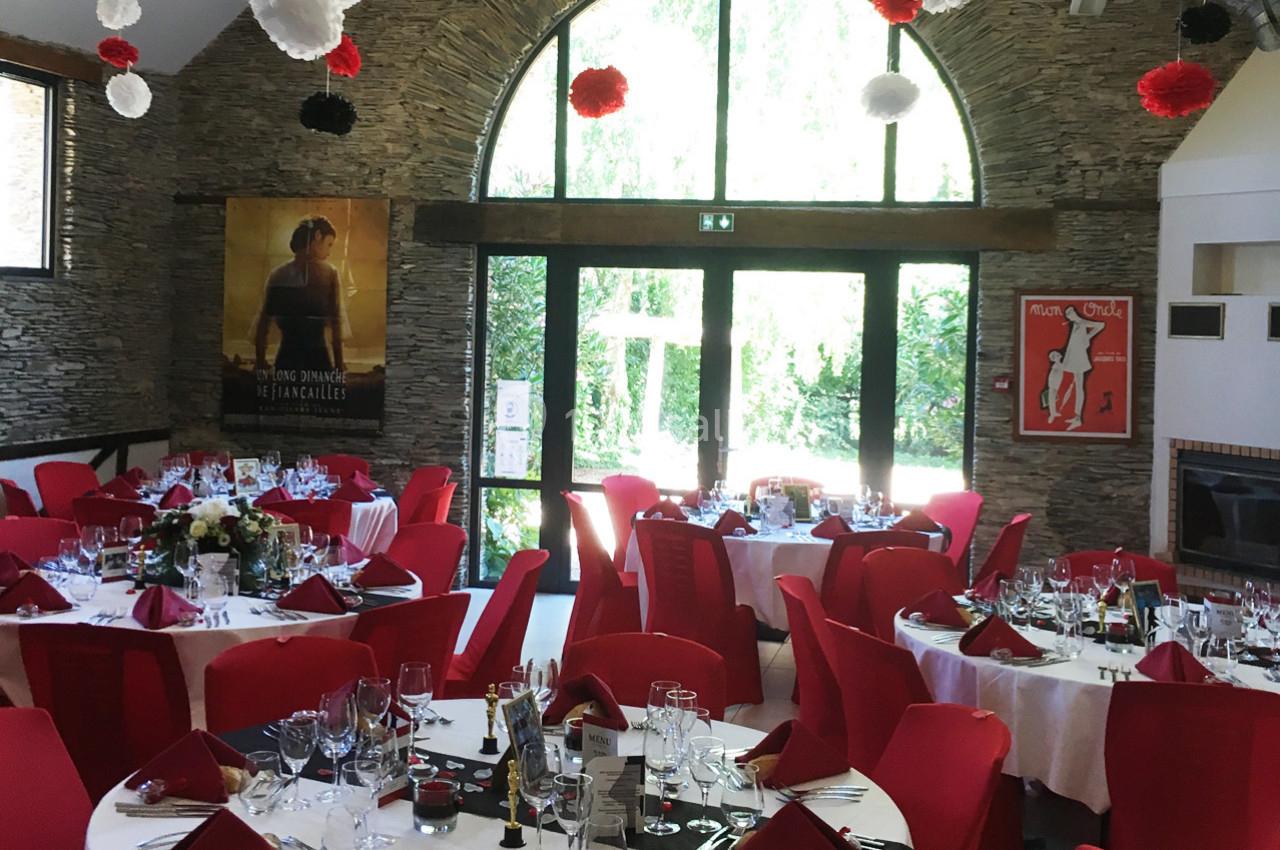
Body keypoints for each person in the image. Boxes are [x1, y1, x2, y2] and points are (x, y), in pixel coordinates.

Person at [253, 216, 345, 373]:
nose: (329, 252)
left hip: (286, 361)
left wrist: (260, 363)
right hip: (319, 362)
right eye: (329, 244)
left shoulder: (278, 274)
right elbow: (336, 325)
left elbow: (263, 325)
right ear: (317, 236)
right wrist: (339, 366)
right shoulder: (329, 274)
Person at [1060, 306, 1106, 431]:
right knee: (1078, 387)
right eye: (1067, 314)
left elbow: (1101, 325)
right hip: (1074, 357)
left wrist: (1089, 336)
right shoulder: (1076, 324)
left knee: (1079, 388)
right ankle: (1077, 416)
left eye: (1069, 313)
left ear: (1074, 313)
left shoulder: (1082, 322)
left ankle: (1078, 418)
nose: (1068, 316)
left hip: (1079, 358)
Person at [1042, 350, 1065, 423]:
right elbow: (1052, 375)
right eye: (1057, 355)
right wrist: (1052, 384)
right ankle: (1052, 415)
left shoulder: (1059, 364)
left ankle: (1053, 412)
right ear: (1054, 359)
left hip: (1056, 383)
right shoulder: (1056, 365)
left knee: (1053, 398)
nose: (1059, 355)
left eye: (1058, 354)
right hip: (1053, 383)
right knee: (1051, 398)